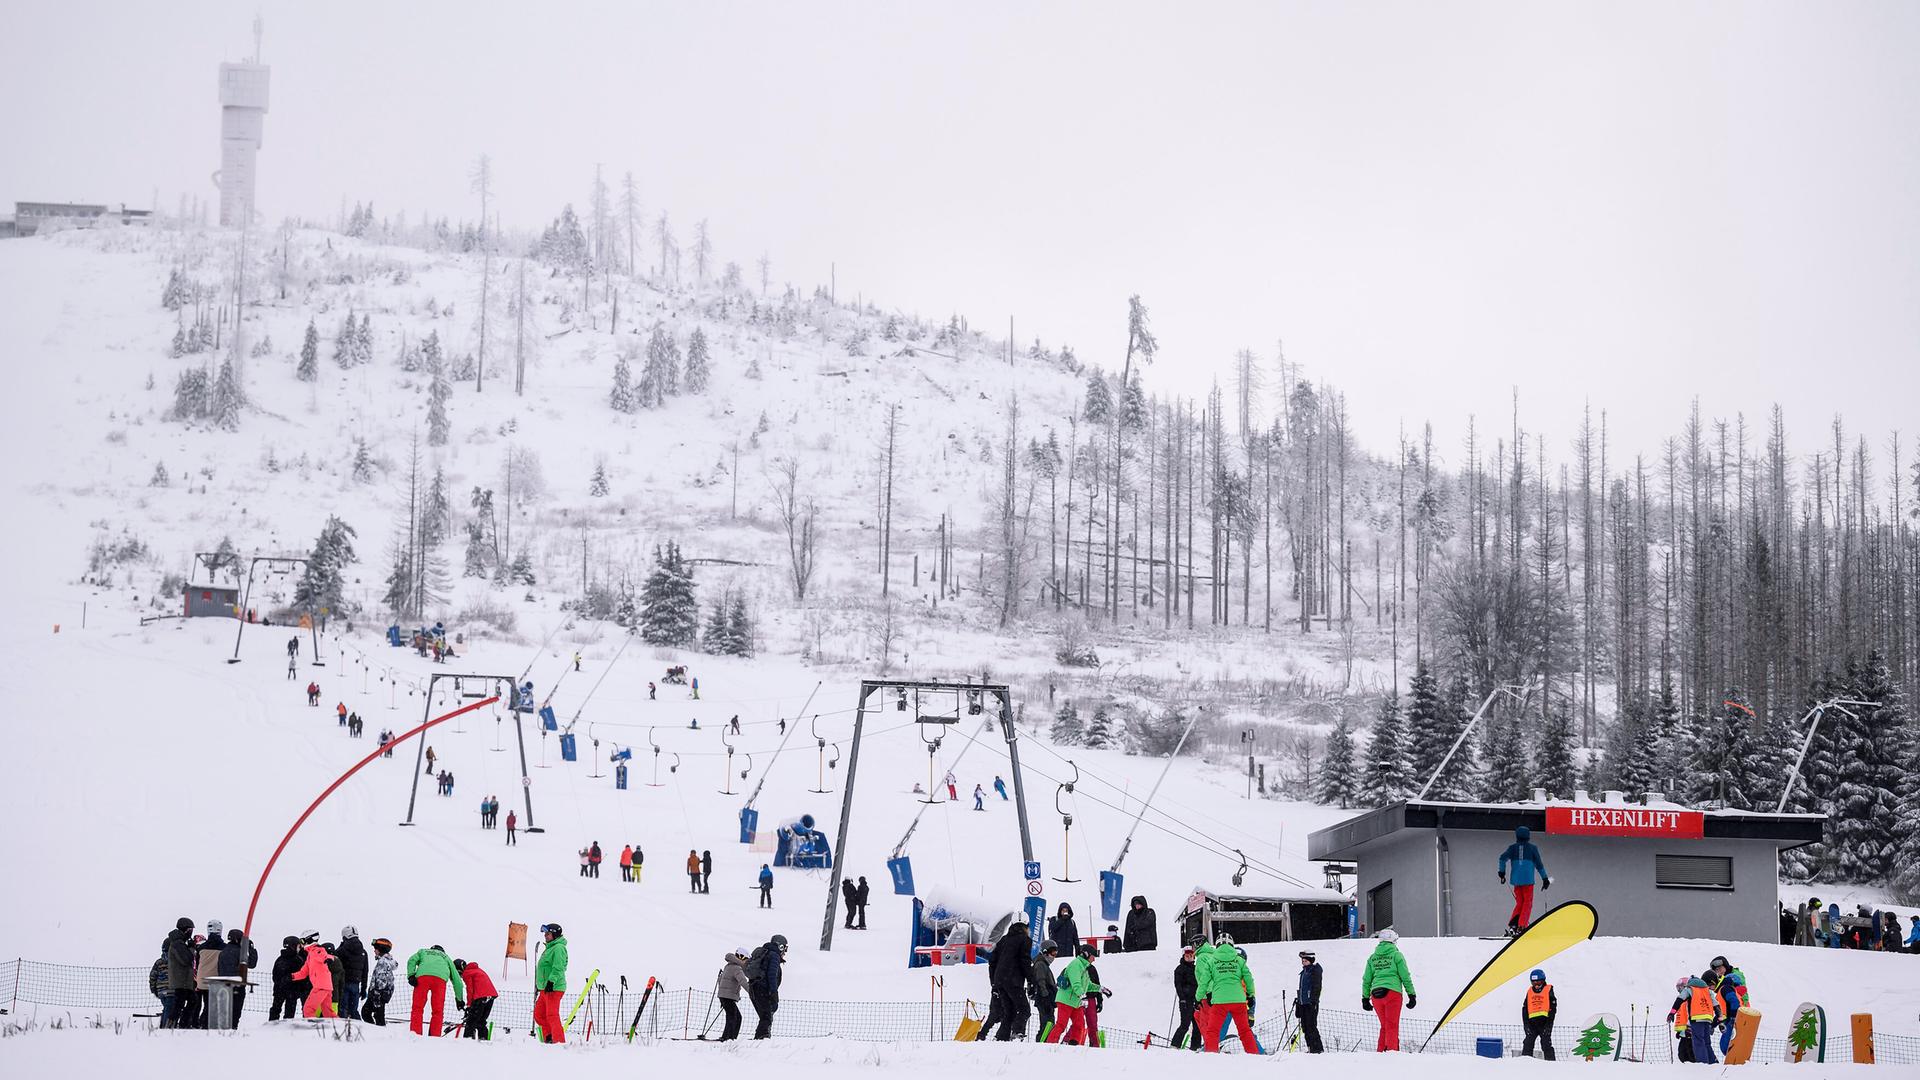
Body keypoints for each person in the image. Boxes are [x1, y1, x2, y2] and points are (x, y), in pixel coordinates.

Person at [1197, 934, 1257, 1053]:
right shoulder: (1239, 960)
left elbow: (1203, 982)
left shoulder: (1211, 961)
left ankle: (1211, 1055)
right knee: (1244, 1031)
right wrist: (1251, 995)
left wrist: (1198, 998)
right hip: (1238, 1001)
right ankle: (1254, 1054)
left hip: (1220, 1001)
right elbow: (1249, 979)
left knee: (1213, 1031)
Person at [1361, 929, 1415, 1052]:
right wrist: (1411, 994)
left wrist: (1365, 998)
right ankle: (1392, 1053)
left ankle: (1381, 1052)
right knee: (1392, 1025)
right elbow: (1405, 976)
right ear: (1393, 941)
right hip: (1393, 993)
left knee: (1384, 1026)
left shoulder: (1372, 958)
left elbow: (1366, 979)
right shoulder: (1396, 955)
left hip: (1376, 994)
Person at [981, 921, 1034, 1041]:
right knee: (1024, 1009)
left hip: (1000, 981)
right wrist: (1031, 980)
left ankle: (1001, 1038)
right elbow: (1024, 961)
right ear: (1026, 927)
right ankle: (1017, 1032)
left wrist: (994, 982)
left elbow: (992, 961)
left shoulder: (1003, 940)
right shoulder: (1025, 940)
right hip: (1014, 981)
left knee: (1009, 1011)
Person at [1044, 942, 1101, 1046]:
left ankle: (1073, 1046)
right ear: (1087, 954)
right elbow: (1076, 984)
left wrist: (1101, 989)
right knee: (1062, 1024)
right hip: (1066, 999)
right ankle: (1050, 1044)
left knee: (1079, 1025)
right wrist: (1083, 997)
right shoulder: (1076, 964)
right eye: (1093, 956)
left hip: (1075, 1001)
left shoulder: (1084, 967)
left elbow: (1088, 985)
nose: (1094, 959)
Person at [1498, 825, 1549, 935]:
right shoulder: (1532, 848)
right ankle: (1522, 926)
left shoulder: (1512, 848)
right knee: (1527, 903)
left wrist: (1502, 872)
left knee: (1520, 902)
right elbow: (1539, 865)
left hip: (1516, 881)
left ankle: (1513, 925)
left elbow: (1502, 858)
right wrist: (1545, 878)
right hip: (1528, 880)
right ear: (1528, 836)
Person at [406, 943, 465, 1036]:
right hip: (440, 980)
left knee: (417, 1008)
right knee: (438, 1011)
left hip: (422, 978)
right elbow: (457, 981)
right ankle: (435, 1035)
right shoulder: (446, 957)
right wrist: (459, 999)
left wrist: (411, 975)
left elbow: (411, 960)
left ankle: (415, 1034)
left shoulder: (423, 951)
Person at [533, 923, 569, 1043]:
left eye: (548, 934)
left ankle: (558, 1041)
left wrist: (551, 982)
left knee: (552, 1015)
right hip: (545, 988)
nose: (545, 936)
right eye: (545, 933)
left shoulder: (559, 948)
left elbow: (558, 967)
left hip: (554, 987)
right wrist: (541, 985)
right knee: (539, 1014)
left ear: (554, 934)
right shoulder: (549, 949)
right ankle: (548, 1037)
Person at [748, 934, 788, 1039]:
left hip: (754, 987)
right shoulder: (774, 956)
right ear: (780, 946)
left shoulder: (766, 953)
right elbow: (772, 975)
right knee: (766, 1017)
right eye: (784, 948)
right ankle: (761, 1039)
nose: (785, 952)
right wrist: (773, 992)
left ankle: (760, 1037)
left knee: (765, 1016)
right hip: (762, 989)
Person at [215, 929, 257, 1024]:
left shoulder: (223, 952)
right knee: (235, 1011)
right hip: (237, 985)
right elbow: (252, 964)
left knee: (224, 1010)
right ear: (238, 939)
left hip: (223, 985)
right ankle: (232, 1029)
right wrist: (251, 949)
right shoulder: (240, 952)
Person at [161, 918, 197, 1028]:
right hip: (181, 981)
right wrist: (191, 948)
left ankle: (179, 1024)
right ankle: (175, 1025)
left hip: (183, 980)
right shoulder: (177, 943)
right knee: (180, 1004)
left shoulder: (179, 942)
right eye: (190, 929)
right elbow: (186, 959)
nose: (191, 932)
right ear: (185, 929)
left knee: (188, 1002)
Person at [1707, 956, 1745, 1054]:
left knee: (1726, 1044)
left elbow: (1734, 1001)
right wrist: (1713, 1025)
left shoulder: (1725, 987)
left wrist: (1733, 1016)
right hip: (1731, 1018)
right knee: (1724, 1045)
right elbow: (1722, 1012)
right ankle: (1734, 1059)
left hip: (1737, 1017)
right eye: (1716, 970)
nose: (1718, 971)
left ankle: (1736, 1058)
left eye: (1719, 969)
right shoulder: (1721, 991)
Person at [1682, 974, 1722, 1063]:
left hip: (1695, 1020)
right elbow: (1716, 1006)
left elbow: (1681, 1001)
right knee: (1707, 1043)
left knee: (1698, 1043)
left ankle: (1703, 1064)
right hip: (1708, 1020)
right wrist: (1718, 1019)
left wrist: (1672, 1012)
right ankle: (1712, 1062)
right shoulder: (1707, 992)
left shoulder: (1690, 990)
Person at [295, 934, 336, 1019]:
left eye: (302, 941)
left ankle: (311, 1029)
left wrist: (328, 958)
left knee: (308, 1009)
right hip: (326, 986)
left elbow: (324, 955)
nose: (301, 944)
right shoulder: (310, 955)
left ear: (309, 940)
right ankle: (338, 1027)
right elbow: (303, 972)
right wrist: (291, 976)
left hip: (320, 986)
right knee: (328, 1012)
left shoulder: (316, 950)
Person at [455, 959, 498, 1039]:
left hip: (480, 996)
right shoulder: (477, 970)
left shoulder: (467, 973)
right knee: (481, 1021)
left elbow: (470, 990)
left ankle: (467, 1040)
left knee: (471, 1021)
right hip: (491, 996)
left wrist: (469, 1005)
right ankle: (483, 1039)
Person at [1521, 968, 1557, 1060]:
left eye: (1538, 983)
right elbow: (1525, 1009)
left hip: (1544, 1023)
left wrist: (1549, 1025)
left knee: (1546, 1044)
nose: (1536, 985)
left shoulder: (1548, 990)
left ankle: (1552, 1065)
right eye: (1534, 983)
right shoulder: (1529, 992)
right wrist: (1526, 1025)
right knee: (1528, 1043)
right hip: (1532, 1024)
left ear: (1543, 981)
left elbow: (1552, 1010)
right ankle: (1525, 1063)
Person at [1171, 943, 1201, 1051]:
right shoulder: (1179, 969)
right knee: (1185, 1024)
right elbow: (1178, 985)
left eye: (1191, 956)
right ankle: (1175, 1045)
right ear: (1183, 956)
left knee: (1197, 1025)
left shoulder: (1196, 968)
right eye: (1187, 956)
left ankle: (1195, 1046)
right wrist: (1182, 998)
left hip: (1196, 1000)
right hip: (1186, 1001)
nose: (1189, 957)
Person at [268, 935, 306, 1021]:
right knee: (289, 1013)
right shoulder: (297, 960)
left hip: (279, 990)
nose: (299, 948)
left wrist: (280, 984)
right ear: (293, 946)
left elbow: (275, 976)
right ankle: (286, 1030)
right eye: (298, 946)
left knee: (276, 1009)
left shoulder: (280, 959)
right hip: (292, 992)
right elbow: (301, 976)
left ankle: (271, 1026)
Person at [716, 950, 749, 1041]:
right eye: (746, 959)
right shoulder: (737, 968)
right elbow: (743, 982)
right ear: (741, 957)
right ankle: (729, 1038)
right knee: (735, 1017)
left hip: (723, 996)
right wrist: (752, 992)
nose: (746, 962)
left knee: (733, 1016)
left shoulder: (728, 966)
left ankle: (727, 1037)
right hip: (728, 997)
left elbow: (720, 980)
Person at [1295, 950, 1325, 1053]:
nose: (1303, 962)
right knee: (1305, 1027)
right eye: (1302, 960)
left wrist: (1313, 1001)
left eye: (1305, 960)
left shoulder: (1314, 971)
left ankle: (1317, 1049)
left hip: (1310, 1003)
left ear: (1311, 960)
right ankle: (1310, 1048)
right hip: (1303, 1003)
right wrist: (1299, 1002)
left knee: (1311, 1026)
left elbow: (1317, 987)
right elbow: (1302, 988)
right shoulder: (1304, 972)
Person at [1029, 941, 1058, 1042]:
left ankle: (1044, 1042)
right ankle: (1042, 1042)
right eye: (1052, 953)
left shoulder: (1043, 964)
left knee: (1048, 1023)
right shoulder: (1041, 964)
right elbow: (1041, 981)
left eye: (1055, 954)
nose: (1054, 957)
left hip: (1046, 998)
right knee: (1047, 1023)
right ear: (1045, 952)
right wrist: (1045, 997)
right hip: (1044, 998)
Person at [337, 927, 368, 1020]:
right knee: (353, 1010)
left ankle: (344, 1031)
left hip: (343, 984)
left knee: (342, 1010)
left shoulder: (341, 951)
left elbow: (336, 966)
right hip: (356, 985)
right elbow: (365, 972)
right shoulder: (363, 952)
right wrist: (363, 989)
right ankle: (358, 1030)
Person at [363, 938, 396, 1025]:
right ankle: (378, 1030)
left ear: (381, 949)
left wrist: (377, 995)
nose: (374, 951)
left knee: (367, 1013)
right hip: (383, 993)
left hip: (378, 993)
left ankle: (378, 1032)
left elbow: (381, 980)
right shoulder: (386, 961)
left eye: (376, 949)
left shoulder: (382, 962)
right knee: (377, 1014)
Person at [1666, 977, 1695, 1062]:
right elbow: (1681, 1017)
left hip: (1690, 1031)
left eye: (1681, 987)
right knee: (1682, 1054)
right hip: (1684, 1033)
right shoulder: (1681, 1001)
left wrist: (1689, 1028)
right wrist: (1679, 1031)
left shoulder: (1689, 999)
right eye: (1678, 988)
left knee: (1690, 1053)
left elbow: (1689, 1015)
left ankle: (1696, 1068)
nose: (1679, 990)